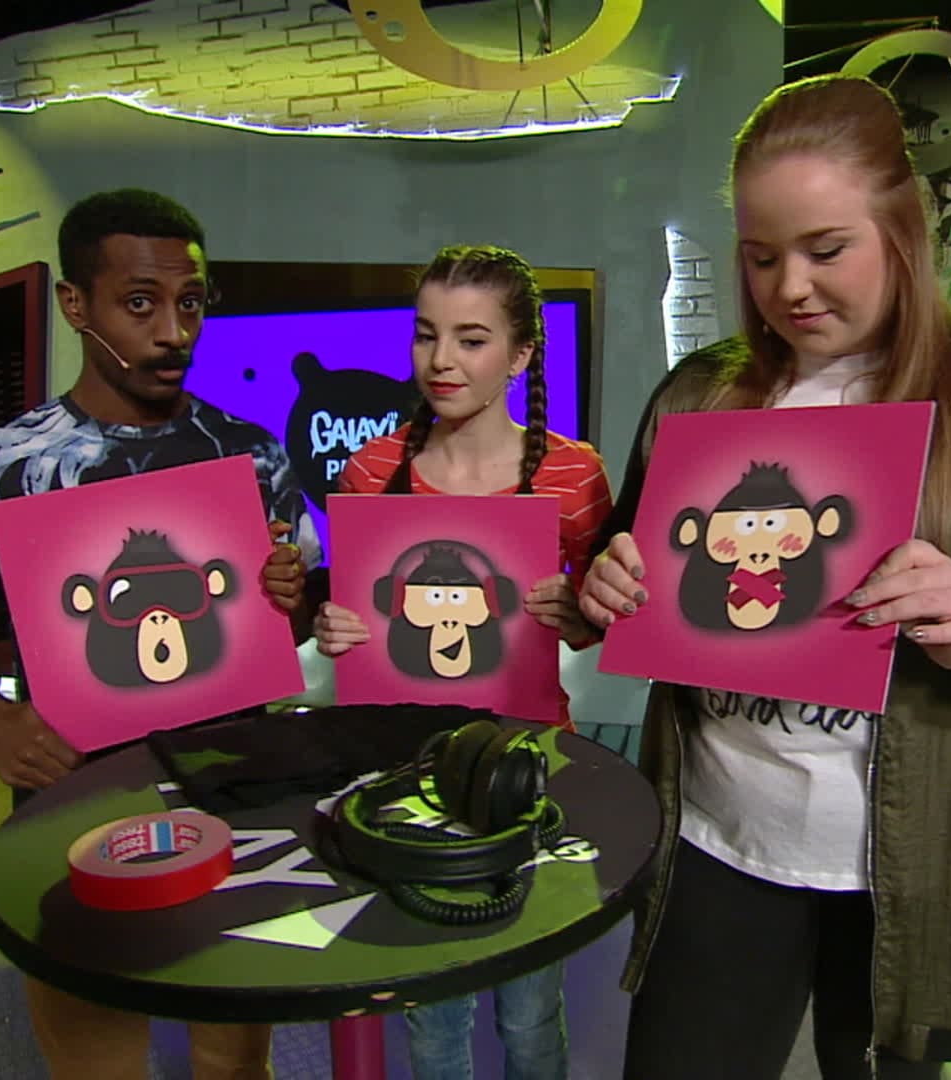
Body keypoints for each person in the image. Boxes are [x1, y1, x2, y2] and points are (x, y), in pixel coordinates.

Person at [580, 75, 951, 1079]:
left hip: (915, 860)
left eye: (825, 249)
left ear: (902, 233)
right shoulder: (699, 395)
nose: (790, 288)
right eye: (761, 256)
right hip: (718, 840)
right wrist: (606, 584)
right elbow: (624, 563)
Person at [0, 188, 318, 1080]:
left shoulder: (251, 453)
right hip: (74, 797)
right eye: (140, 303)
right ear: (75, 304)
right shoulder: (1, 463)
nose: (173, 331)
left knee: (234, 1062)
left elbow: (281, 624)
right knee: (97, 1061)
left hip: (231, 789)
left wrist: (286, 593)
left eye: (190, 302)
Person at [313, 244, 612, 1080]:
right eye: (426, 334)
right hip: (404, 765)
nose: (441, 360)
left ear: (519, 356)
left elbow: (605, 621)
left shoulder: (575, 473)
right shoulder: (371, 470)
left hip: (525, 764)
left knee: (530, 1015)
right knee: (433, 1016)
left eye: (471, 339)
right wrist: (332, 628)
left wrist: (579, 615)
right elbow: (354, 614)